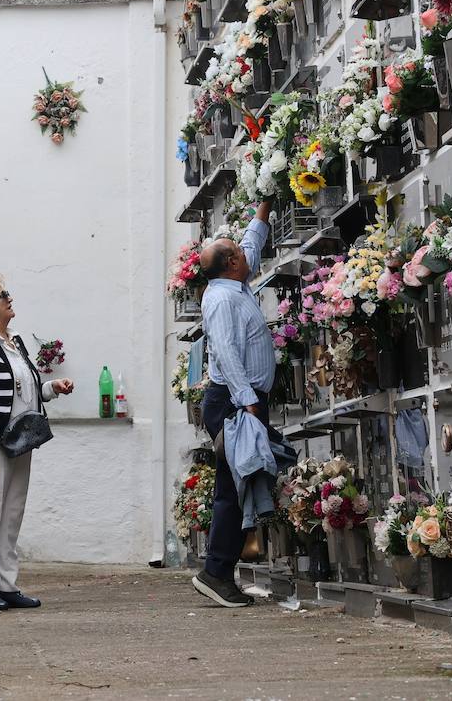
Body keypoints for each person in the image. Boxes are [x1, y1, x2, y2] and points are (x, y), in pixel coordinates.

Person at [0, 274, 75, 612]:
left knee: (12, 515)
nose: (9, 298)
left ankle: (6, 585)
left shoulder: (15, 341)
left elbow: (24, 388)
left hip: (19, 440)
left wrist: (52, 388)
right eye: (2, 295)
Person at [191, 201, 274, 608]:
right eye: (239, 252)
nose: (245, 253)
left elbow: (250, 249)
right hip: (234, 404)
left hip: (240, 401)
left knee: (241, 484)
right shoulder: (222, 300)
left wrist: (263, 209)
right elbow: (224, 352)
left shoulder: (233, 284)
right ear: (231, 265)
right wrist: (247, 401)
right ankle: (216, 573)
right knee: (232, 488)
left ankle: (221, 571)